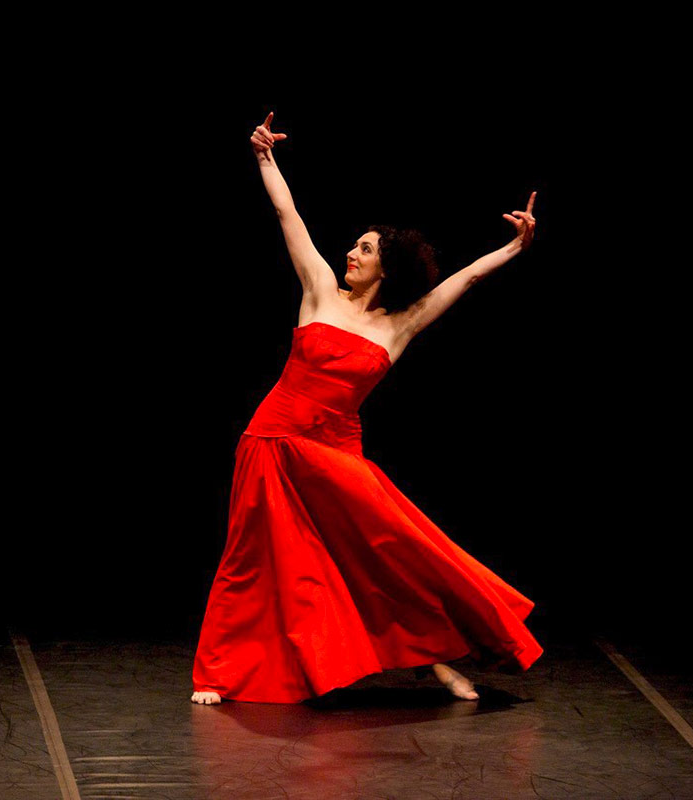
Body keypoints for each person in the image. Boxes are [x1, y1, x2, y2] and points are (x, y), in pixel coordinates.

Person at [191, 111, 541, 705]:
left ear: (388, 267)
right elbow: (288, 215)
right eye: (355, 245)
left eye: (365, 248)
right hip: (272, 442)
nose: (350, 253)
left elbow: (466, 279)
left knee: (391, 552)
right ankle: (220, 673)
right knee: (253, 560)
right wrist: (265, 158)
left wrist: (514, 245)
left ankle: (438, 657)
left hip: (336, 454)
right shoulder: (320, 291)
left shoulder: (399, 324)